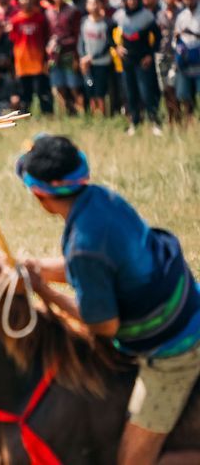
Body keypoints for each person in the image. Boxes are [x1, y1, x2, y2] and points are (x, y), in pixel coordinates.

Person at [19, 134, 200, 465]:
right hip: (187, 302)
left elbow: (102, 327)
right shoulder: (100, 199)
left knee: (132, 461)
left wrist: (44, 292)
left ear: (40, 196)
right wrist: (40, 270)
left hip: (177, 348)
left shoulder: (84, 245)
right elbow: (102, 267)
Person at [113, 0, 162, 136]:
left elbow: (158, 37)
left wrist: (150, 54)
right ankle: (134, 122)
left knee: (146, 92)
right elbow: (109, 32)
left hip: (143, 61)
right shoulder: (119, 16)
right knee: (130, 92)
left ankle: (154, 121)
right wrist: (116, 47)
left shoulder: (146, 15)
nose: (131, 1)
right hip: (127, 60)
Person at [10, 0, 52, 114]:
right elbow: (13, 39)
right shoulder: (15, 19)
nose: (26, 0)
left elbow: (46, 38)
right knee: (25, 94)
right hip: (22, 62)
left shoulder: (40, 18)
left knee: (42, 92)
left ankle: (47, 115)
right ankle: (24, 115)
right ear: (19, 0)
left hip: (38, 63)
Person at [45, 0, 84, 115]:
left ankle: (81, 112)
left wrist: (60, 42)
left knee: (73, 85)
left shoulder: (73, 11)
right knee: (58, 86)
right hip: (53, 56)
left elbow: (77, 35)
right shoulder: (48, 13)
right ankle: (63, 113)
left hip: (69, 54)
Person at [78, 0, 114, 117]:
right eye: (90, 3)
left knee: (100, 91)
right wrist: (83, 57)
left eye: (96, 3)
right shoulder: (84, 21)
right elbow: (81, 41)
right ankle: (94, 115)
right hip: (87, 63)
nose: (93, 6)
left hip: (102, 63)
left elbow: (108, 45)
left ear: (101, 5)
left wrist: (91, 57)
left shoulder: (107, 23)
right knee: (90, 89)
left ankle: (103, 115)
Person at [155, 0, 182, 123]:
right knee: (164, 87)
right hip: (161, 53)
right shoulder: (160, 14)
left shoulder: (181, 13)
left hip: (175, 54)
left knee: (173, 85)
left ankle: (178, 114)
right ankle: (170, 115)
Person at [174, 0, 200, 121]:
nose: (189, 0)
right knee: (184, 95)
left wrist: (193, 34)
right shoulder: (181, 16)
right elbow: (177, 36)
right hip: (185, 59)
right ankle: (189, 121)